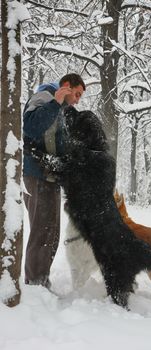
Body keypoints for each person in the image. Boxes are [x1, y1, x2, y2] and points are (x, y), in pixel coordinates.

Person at [23, 73, 86, 288]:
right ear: (66, 86)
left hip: (51, 177)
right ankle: (35, 284)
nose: (77, 99)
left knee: (51, 233)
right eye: (76, 94)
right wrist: (56, 102)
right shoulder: (44, 97)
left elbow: (61, 142)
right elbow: (30, 127)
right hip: (37, 175)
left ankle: (41, 281)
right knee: (42, 231)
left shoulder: (64, 110)